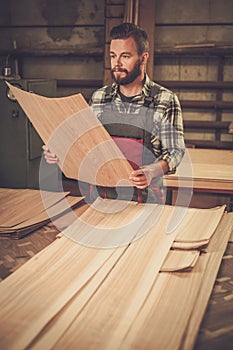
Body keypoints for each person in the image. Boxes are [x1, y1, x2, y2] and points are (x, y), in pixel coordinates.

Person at [43, 22, 185, 204]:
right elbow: (85, 146)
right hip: (100, 201)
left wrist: (152, 171)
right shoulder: (99, 97)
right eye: (113, 56)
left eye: (125, 56)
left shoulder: (164, 100)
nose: (116, 64)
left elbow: (175, 151)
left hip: (146, 203)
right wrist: (61, 154)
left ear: (143, 58)